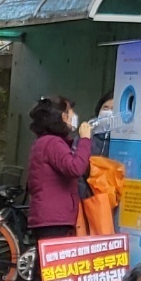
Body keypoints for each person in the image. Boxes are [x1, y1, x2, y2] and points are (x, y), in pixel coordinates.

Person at [25, 97, 92, 249]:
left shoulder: (45, 142)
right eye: (71, 112)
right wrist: (85, 140)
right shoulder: (52, 143)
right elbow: (75, 167)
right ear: (63, 116)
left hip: (48, 217)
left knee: (45, 266)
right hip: (54, 218)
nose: (75, 116)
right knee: (51, 268)